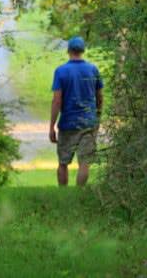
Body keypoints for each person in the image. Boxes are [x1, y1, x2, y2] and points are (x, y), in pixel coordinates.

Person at [49, 35, 102, 187]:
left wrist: (51, 126)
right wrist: (97, 117)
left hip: (67, 124)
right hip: (88, 123)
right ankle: (78, 193)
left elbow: (57, 101)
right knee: (84, 163)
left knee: (63, 162)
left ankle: (63, 193)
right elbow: (100, 97)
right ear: (83, 50)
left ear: (68, 51)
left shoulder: (61, 71)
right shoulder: (93, 70)